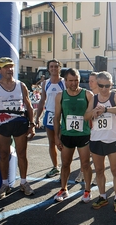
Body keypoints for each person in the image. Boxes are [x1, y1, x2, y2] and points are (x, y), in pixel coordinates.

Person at [84, 71, 116, 212]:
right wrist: (93, 112)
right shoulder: (94, 99)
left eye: (107, 86)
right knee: (99, 170)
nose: (103, 89)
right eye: (101, 85)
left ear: (111, 85)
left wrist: (106, 109)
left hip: (113, 139)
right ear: (97, 84)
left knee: (115, 170)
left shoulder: (115, 96)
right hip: (96, 139)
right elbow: (85, 116)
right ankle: (102, 197)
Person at [53, 68, 93, 202]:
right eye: (70, 81)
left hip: (84, 135)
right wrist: (56, 137)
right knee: (65, 164)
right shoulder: (60, 95)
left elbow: (92, 116)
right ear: (65, 81)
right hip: (67, 135)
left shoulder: (88, 94)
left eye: (76, 80)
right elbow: (57, 117)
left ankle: (87, 190)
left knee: (86, 164)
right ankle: (64, 189)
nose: (74, 83)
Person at [0, 57, 35, 198]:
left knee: (22, 154)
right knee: (3, 154)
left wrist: (32, 125)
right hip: (2, 125)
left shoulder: (21, 85)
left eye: (11, 66)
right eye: (6, 67)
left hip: (20, 123)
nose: (10, 69)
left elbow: (29, 106)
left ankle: (24, 183)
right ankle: (5, 184)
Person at [34, 59, 65, 178]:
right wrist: (37, 118)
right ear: (48, 69)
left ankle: (64, 168)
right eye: (51, 66)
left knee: (61, 143)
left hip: (62, 115)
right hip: (49, 115)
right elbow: (42, 101)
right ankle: (55, 167)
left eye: (56, 66)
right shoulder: (45, 83)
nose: (54, 68)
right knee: (51, 142)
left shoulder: (64, 82)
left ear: (59, 68)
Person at [74, 71, 99, 184]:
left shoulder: (102, 96)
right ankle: (82, 171)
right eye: (89, 81)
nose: (90, 83)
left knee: (96, 154)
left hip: (99, 129)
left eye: (92, 81)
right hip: (86, 128)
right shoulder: (87, 94)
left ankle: (97, 175)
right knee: (84, 154)